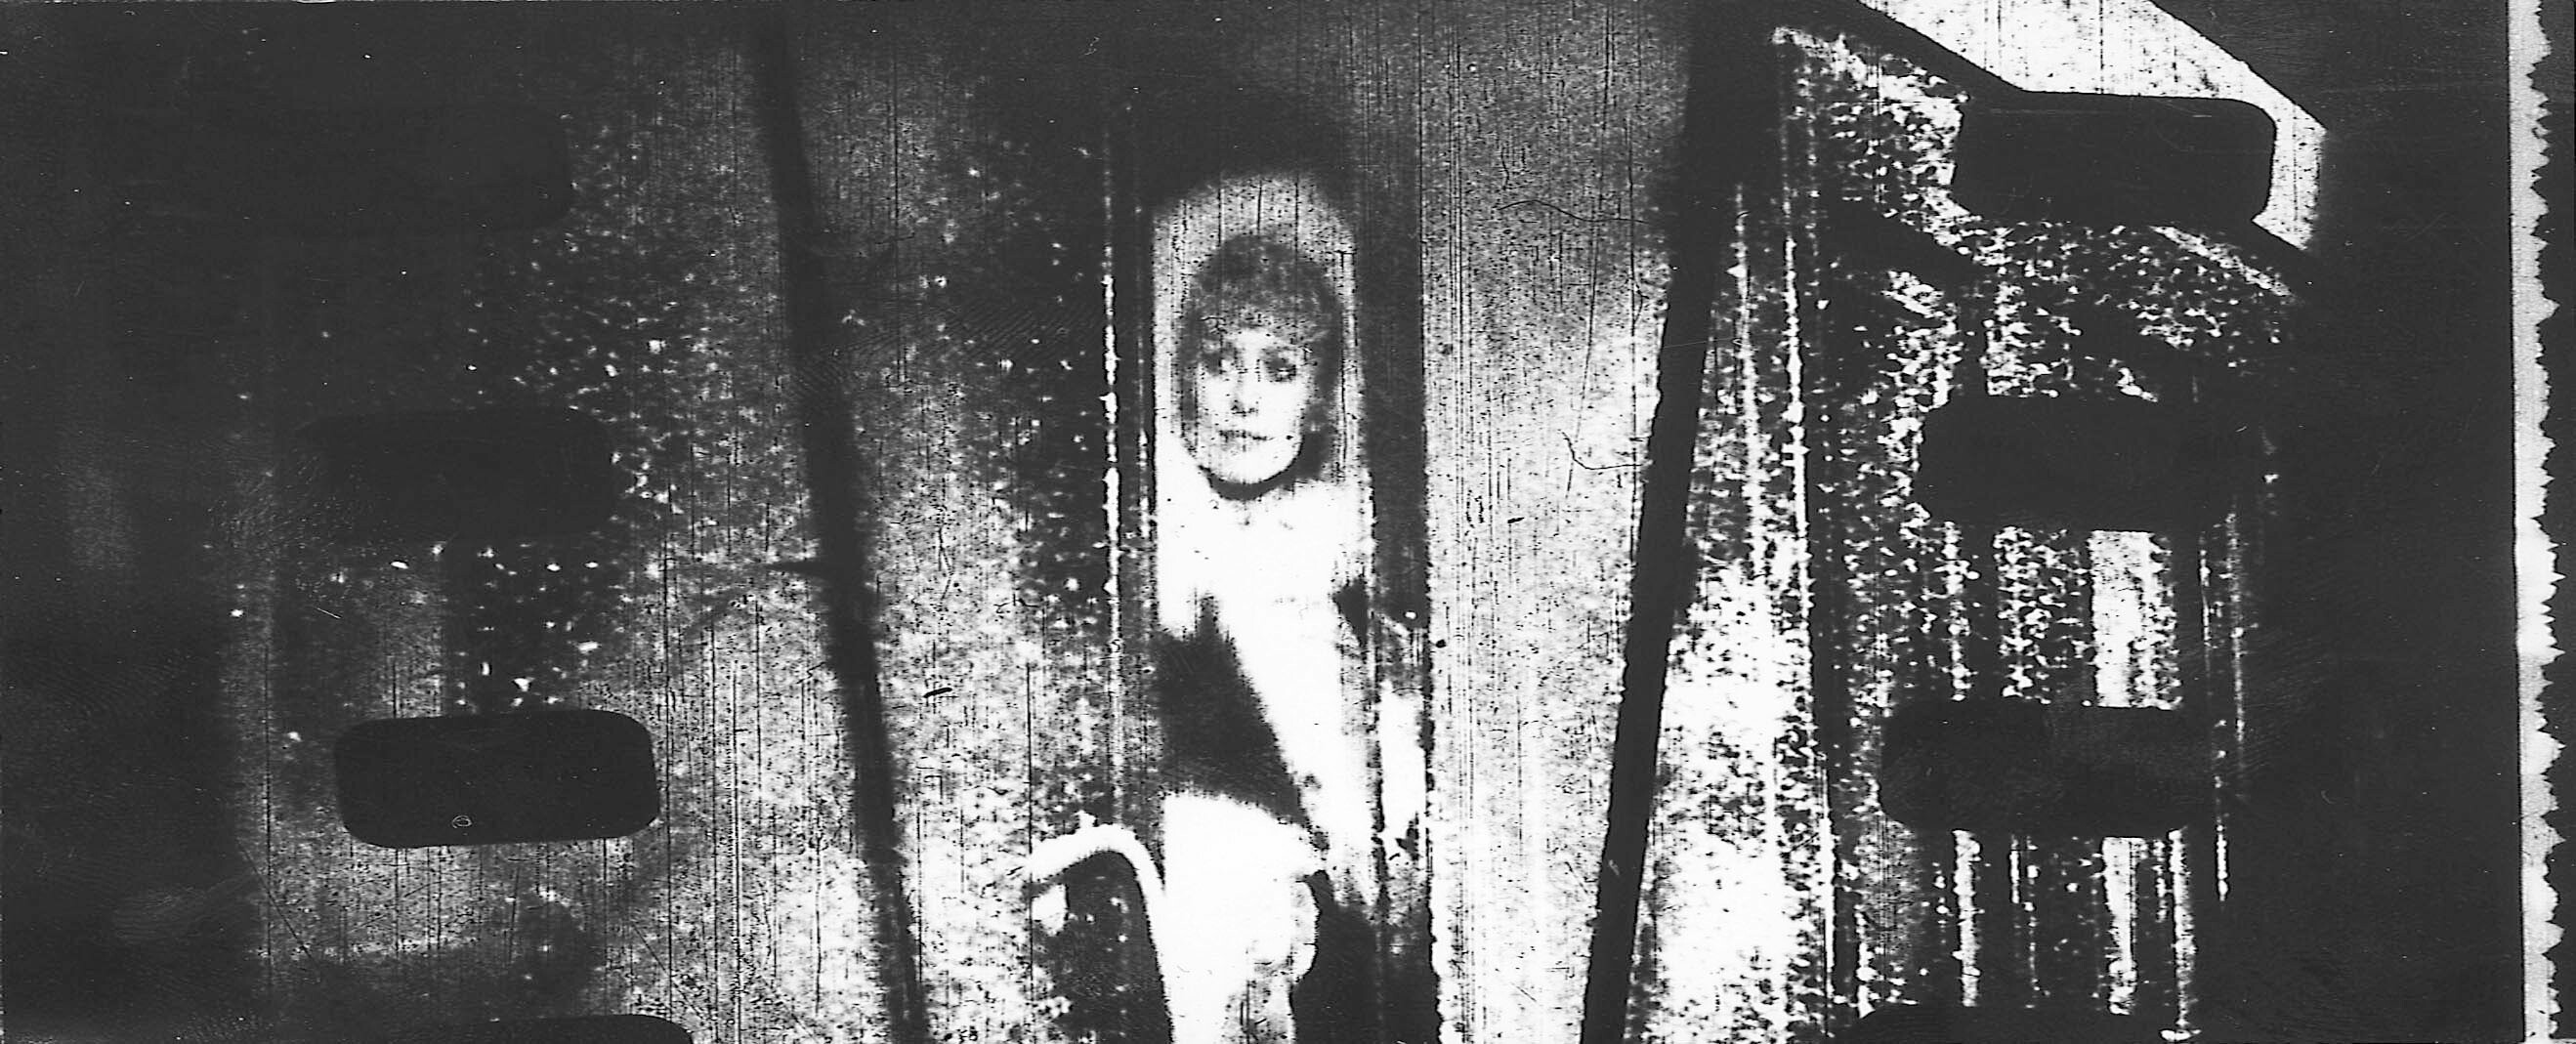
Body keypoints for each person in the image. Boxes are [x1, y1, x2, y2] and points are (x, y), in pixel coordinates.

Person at [1030, 225, 1419, 1044]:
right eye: (1218, 362)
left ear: (1321, 395)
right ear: (1180, 375)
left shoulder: (1353, 558)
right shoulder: (1133, 551)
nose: (1244, 399)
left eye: (1279, 369)